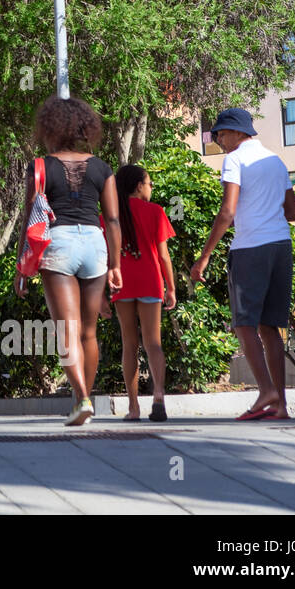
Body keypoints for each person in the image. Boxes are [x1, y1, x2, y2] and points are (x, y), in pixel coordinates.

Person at [15, 96, 122, 427]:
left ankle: (82, 398)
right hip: (94, 243)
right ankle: (81, 402)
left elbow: (30, 217)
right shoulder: (102, 168)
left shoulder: (41, 166)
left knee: (66, 329)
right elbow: (114, 220)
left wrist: (22, 264)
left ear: (50, 127)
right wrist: (115, 265)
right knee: (88, 332)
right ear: (83, 127)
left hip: (58, 243)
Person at [190, 108, 295, 421]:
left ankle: (265, 390)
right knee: (269, 327)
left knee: (243, 323)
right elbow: (293, 212)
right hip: (281, 246)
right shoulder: (275, 161)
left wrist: (205, 255)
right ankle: (280, 405)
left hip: (251, 249)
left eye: (221, 134)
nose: (220, 141)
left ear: (238, 132)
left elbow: (227, 211)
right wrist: (266, 207)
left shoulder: (235, 160)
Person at [109, 164, 176, 422]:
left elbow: (106, 255)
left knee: (130, 344)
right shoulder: (155, 212)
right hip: (149, 282)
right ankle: (158, 394)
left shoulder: (111, 216)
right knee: (153, 343)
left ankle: (133, 407)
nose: (151, 188)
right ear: (139, 186)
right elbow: (163, 256)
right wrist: (171, 287)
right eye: (149, 183)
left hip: (122, 283)